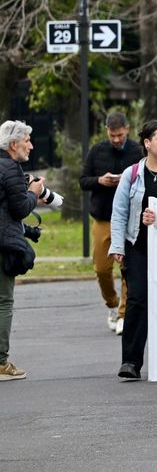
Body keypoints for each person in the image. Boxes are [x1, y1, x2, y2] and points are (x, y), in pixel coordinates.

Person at [109, 120, 157, 381]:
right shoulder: (132, 175)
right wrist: (118, 246)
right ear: (147, 143)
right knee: (137, 299)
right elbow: (119, 213)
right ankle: (131, 361)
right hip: (138, 246)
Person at [79, 111, 142, 334]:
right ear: (107, 131)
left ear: (127, 129)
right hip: (103, 218)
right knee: (102, 268)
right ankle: (112, 303)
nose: (116, 139)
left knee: (127, 268)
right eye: (112, 135)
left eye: (120, 135)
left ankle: (124, 314)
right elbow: (83, 181)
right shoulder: (97, 151)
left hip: (129, 219)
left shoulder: (137, 150)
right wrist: (100, 181)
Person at [0, 120, 44, 380]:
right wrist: (33, 192)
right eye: (27, 140)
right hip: (4, 248)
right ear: (14, 144)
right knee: (4, 302)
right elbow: (19, 209)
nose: (31, 145)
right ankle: (2, 363)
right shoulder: (12, 169)